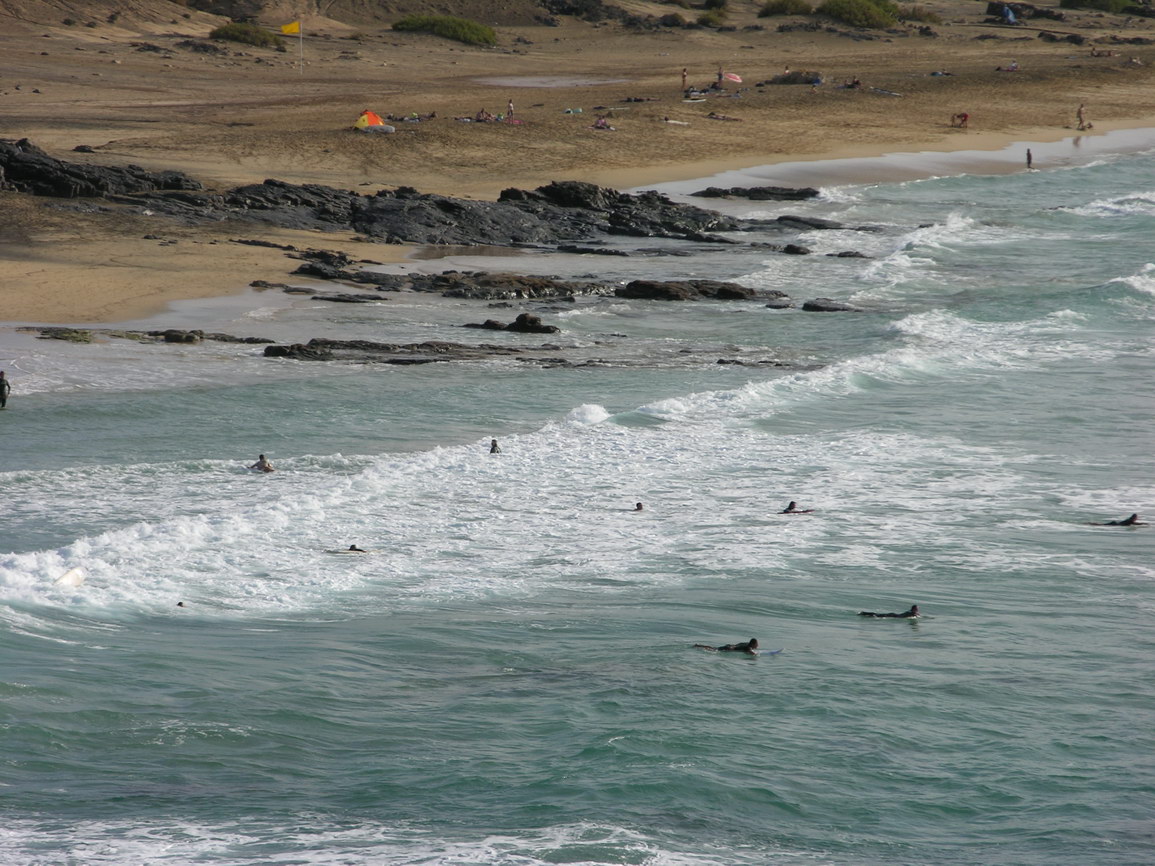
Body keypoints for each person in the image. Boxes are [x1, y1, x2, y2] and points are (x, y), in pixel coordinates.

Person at [694, 638, 759, 655]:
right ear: (753, 644)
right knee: (714, 650)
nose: (757, 645)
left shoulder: (746, 643)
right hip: (729, 649)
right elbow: (752, 653)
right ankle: (699, 646)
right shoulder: (748, 647)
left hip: (730, 646)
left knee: (714, 648)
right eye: (756, 644)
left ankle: (698, 646)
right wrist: (756, 654)